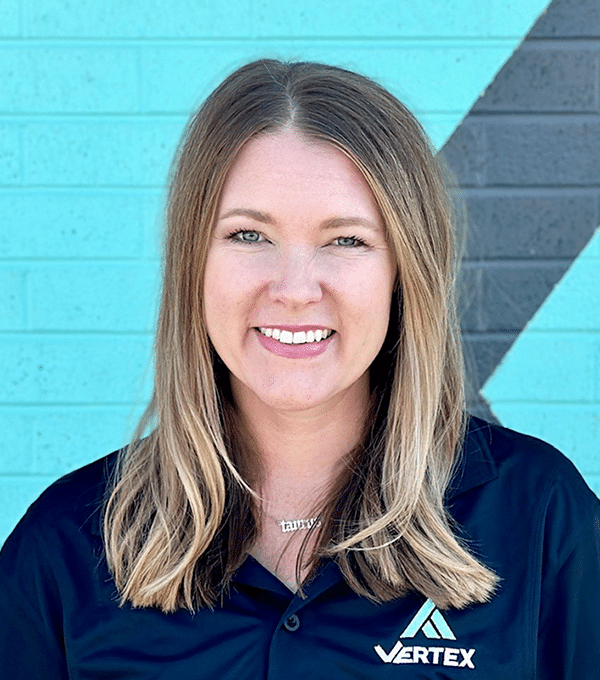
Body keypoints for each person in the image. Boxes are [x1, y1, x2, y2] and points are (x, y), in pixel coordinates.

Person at [0, 59, 598, 679]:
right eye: (248, 236)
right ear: (192, 265)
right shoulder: (68, 547)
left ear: (404, 275)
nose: (293, 289)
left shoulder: (539, 517)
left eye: (346, 241)